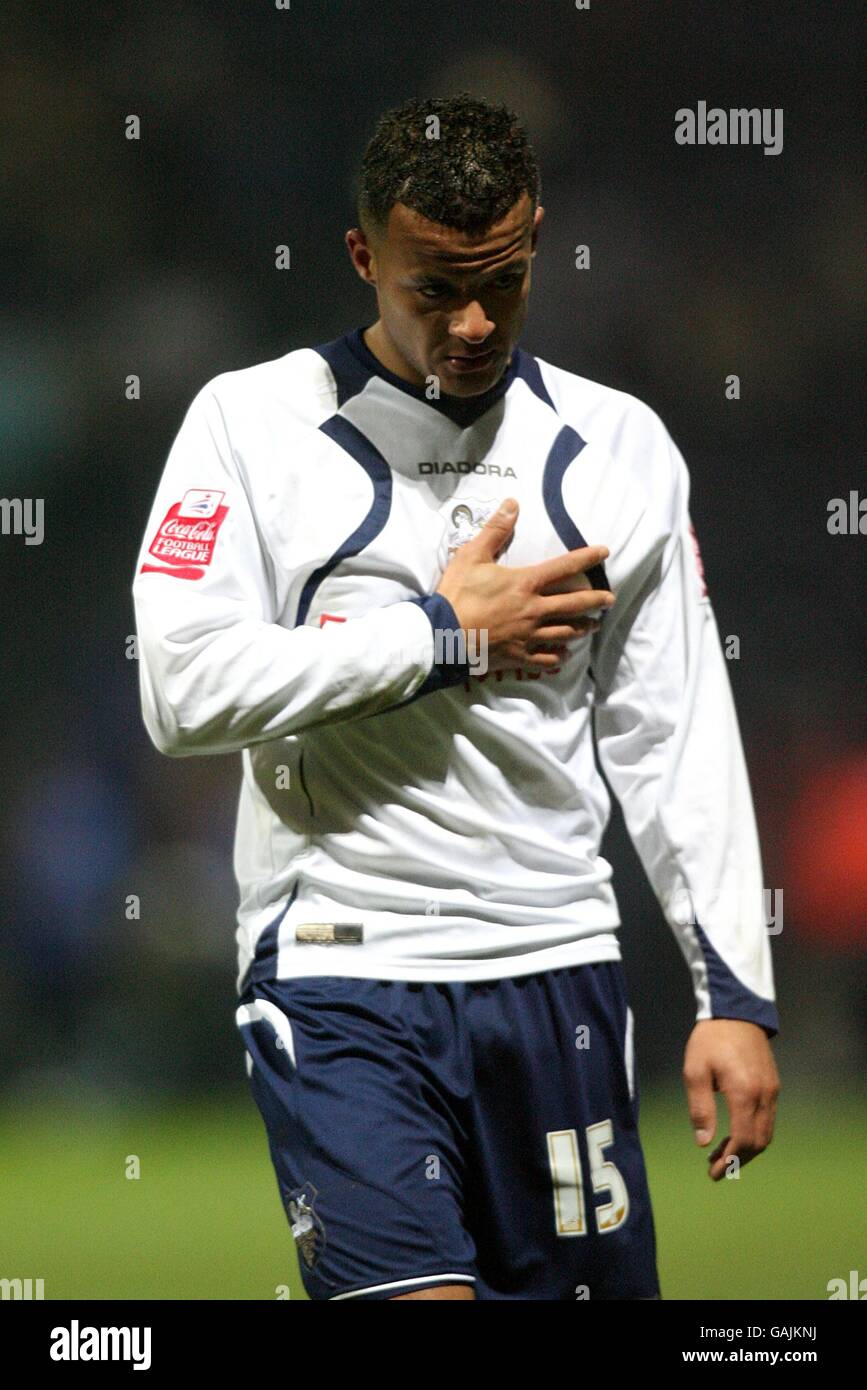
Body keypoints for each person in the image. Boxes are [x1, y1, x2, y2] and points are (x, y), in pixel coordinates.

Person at [132, 94, 780, 1301]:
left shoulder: (620, 446)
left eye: (505, 281)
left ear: (536, 241)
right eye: (435, 287)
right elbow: (180, 686)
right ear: (364, 256)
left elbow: (674, 731)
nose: (474, 321)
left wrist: (734, 993)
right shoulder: (248, 425)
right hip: (341, 967)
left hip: (557, 965)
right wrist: (439, 635)